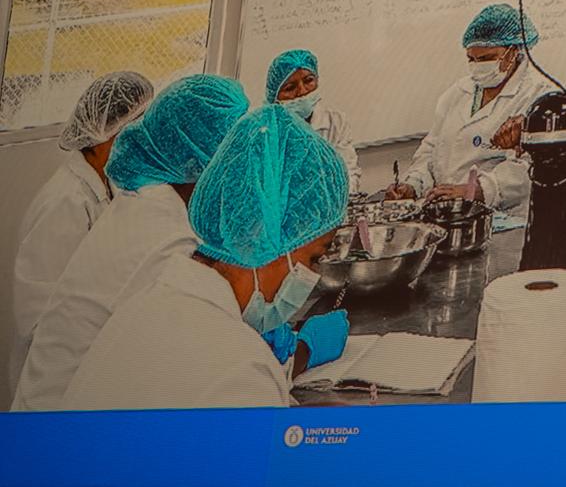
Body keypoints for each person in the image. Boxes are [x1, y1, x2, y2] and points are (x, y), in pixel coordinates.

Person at [61, 104, 350, 411]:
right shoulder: (242, 367)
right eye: (315, 257)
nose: (313, 274)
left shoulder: (141, 305)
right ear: (266, 240)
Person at [11, 75, 249, 411]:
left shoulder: (147, 202)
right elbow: (37, 317)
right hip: (61, 407)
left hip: (73, 394)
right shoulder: (162, 230)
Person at [9, 72, 153, 388]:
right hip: (52, 375)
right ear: (103, 135)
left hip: (85, 359)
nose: (140, 142)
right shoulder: (66, 203)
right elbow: (37, 315)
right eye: (132, 131)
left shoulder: (105, 184)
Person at [386, 5, 548, 211]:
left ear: (513, 51)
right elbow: (431, 149)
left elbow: (530, 168)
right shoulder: (459, 92)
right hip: (447, 210)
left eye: (486, 58)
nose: (478, 65)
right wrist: (413, 185)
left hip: (502, 215)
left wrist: (477, 190)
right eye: (471, 59)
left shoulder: (538, 96)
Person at [266, 49, 361, 194]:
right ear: (274, 97)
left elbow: (348, 174)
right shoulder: (267, 130)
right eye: (290, 88)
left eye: (308, 81)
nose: (302, 91)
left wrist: (331, 198)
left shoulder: (335, 122)